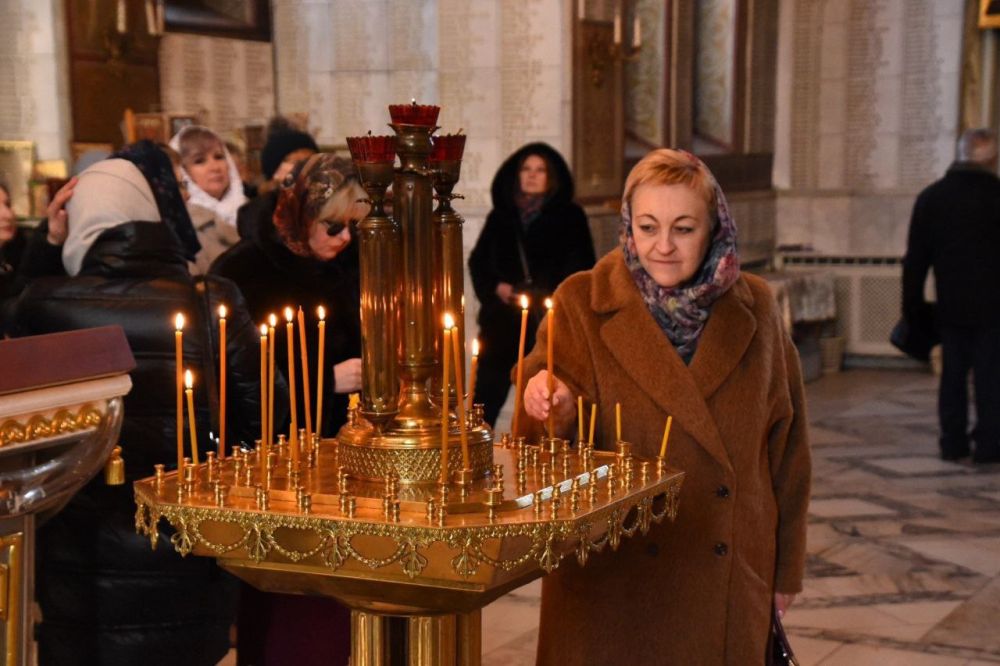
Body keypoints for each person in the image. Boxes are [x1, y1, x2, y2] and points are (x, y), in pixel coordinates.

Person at [519, 149, 811, 664]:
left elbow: (788, 454)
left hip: (725, 573)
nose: (664, 247)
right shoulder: (580, 303)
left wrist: (783, 572)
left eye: (684, 228)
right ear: (627, 227)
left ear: (714, 228)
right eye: (648, 227)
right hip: (613, 580)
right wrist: (553, 407)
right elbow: (532, 447)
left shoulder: (757, 307)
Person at [12, 152, 273, 665]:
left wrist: (47, 246)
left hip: (75, 556)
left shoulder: (41, 304)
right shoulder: (208, 299)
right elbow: (268, 415)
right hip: (184, 539)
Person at [210, 153, 366, 666]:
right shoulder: (242, 270)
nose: (344, 239)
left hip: (346, 453)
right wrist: (328, 381)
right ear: (302, 211)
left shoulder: (353, 264)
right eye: (333, 226)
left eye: (354, 227)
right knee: (288, 609)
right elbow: (237, 377)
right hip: (275, 462)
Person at [468, 142, 595, 427]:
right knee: (482, 406)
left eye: (540, 170)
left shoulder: (570, 217)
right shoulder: (503, 217)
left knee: (541, 404)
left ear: (552, 176)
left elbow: (582, 269)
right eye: (526, 169)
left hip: (545, 323)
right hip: (502, 324)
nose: (532, 175)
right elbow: (478, 262)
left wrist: (549, 295)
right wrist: (496, 288)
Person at [903, 128, 1000, 463]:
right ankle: (990, 445)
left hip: (951, 306)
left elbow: (915, 261)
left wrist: (912, 310)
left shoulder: (933, 197)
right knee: (991, 378)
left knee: (952, 377)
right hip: (994, 309)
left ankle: (953, 442)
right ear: (993, 159)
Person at [169, 125, 247, 228]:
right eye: (199, 161)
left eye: (219, 157)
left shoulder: (251, 211)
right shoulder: (180, 221)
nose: (215, 167)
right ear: (183, 171)